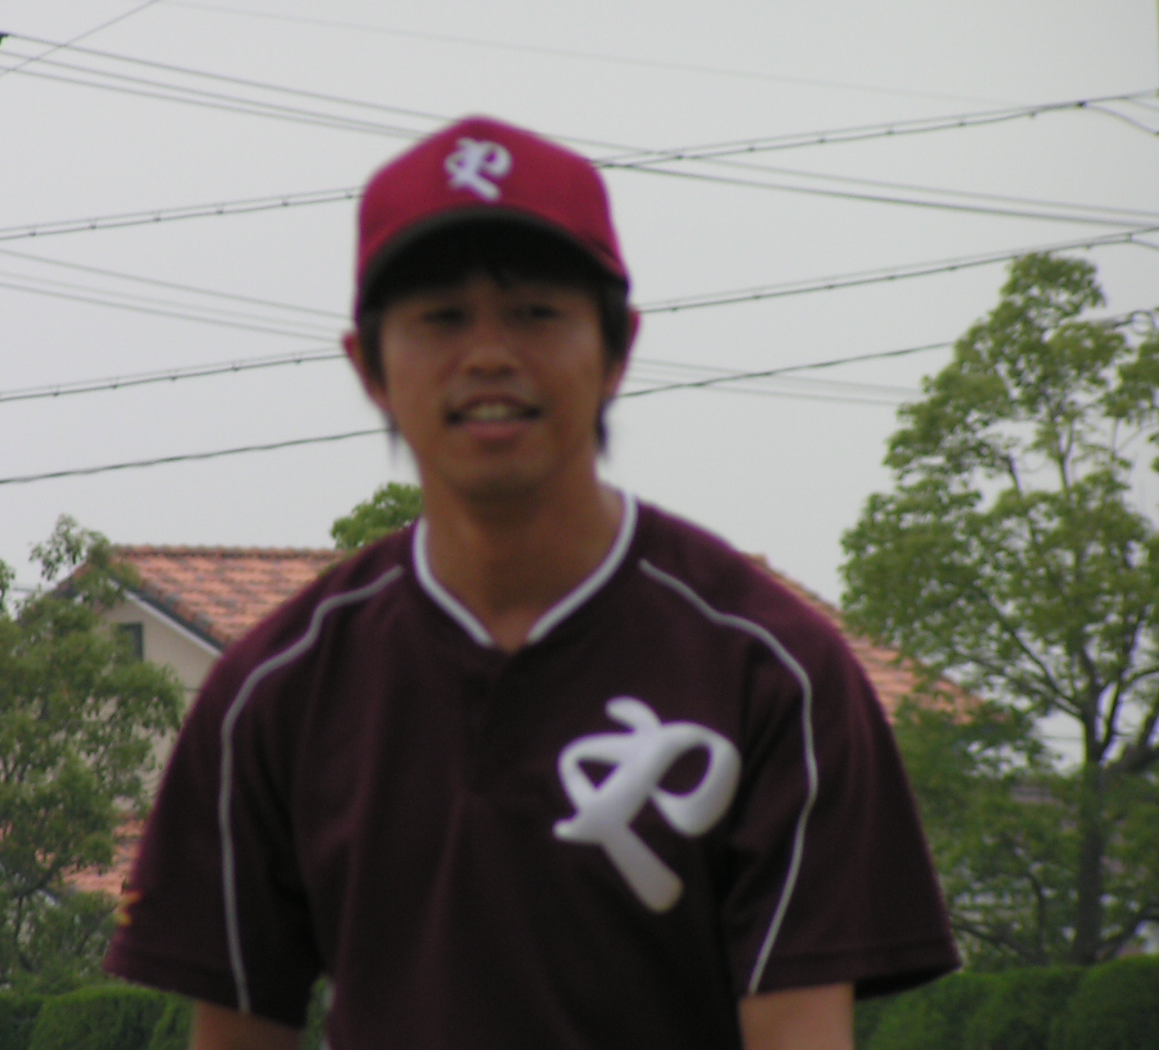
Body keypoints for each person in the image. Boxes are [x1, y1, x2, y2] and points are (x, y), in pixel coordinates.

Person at [104, 117, 958, 1048]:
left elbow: (799, 1033)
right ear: (369, 366)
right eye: (441, 317)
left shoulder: (773, 674)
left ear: (618, 348)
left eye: (535, 312)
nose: (488, 355)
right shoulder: (274, 694)